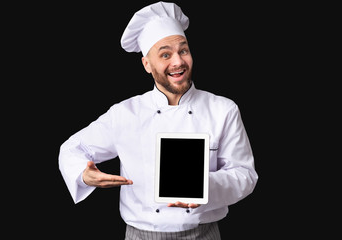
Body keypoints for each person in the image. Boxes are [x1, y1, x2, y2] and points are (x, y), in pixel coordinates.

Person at [59, 1, 258, 239]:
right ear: (147, 64)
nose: (178, 62)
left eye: (183, 50)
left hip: (203, 234)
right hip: (140, 235)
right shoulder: (125, 113)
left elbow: (245, 175)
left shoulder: (223, 109)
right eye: (165, 54)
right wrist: (84, 174)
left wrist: (202, 187)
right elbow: (71, 149)